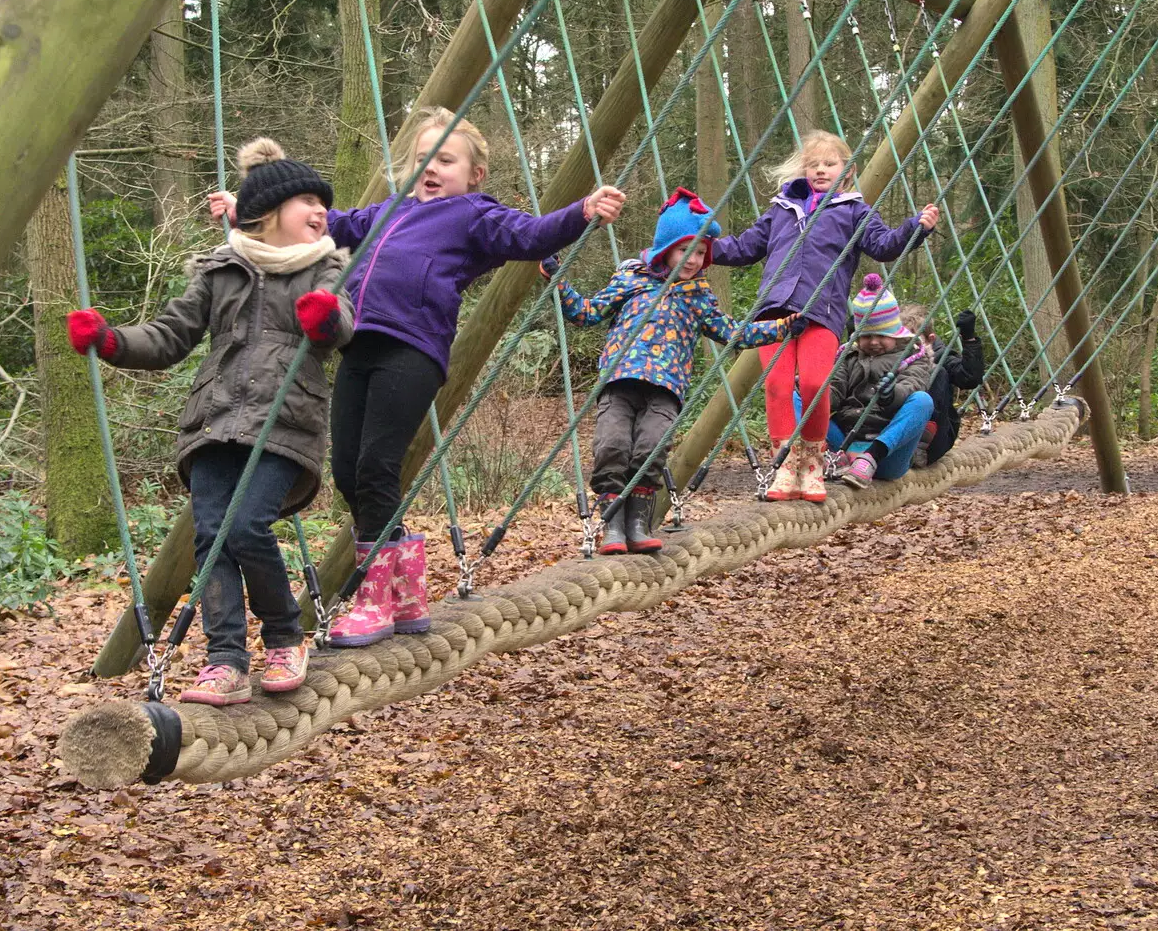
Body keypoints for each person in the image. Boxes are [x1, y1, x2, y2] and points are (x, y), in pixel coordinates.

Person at [210, 107, 625, 645]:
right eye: (423, 158)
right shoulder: (387, 213)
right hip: (356, 344)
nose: (430, 167)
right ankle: (406, 597)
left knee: (377, 467)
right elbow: (324, 223)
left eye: (445, 160)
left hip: (412, 350)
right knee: (344, 470)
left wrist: (583, 211)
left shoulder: (475, 215)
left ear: (473, 174)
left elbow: (533, 235)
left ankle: (375, 600)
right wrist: (248, 206)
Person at [69, 139, 352, 704]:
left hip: (283, 421)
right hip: (214, 420)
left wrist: (323, 322)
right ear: (267, 215)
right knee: (211, 537)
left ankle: (283, 636)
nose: (321, 211)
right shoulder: (222, 270)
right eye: (306, 202)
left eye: (323, 203)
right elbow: (170, 334)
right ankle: (224, 660)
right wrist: (111, 339)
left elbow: (341, 322)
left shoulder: (326, 268)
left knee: (246, 525)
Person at [545, 189, 803, 554]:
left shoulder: (698, 297)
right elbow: (585, 313)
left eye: (701, 252)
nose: (695, 259)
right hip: (620, 381)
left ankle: (638, 521)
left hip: (666, 387)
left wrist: (780, 328)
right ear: (667, 249)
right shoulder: (631, 281)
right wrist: (558, 281)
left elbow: (733, 333)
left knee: (651, 448)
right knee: (612, 444)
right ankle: (612, 525)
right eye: (687, 250)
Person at [708, 130, 938, 503]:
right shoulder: (781, 210)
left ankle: (812, 464)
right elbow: (745, 247)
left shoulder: (854, 211)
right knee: (778, 387)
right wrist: (702, 250)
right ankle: (785, 466)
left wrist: (917, 227)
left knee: (815, 385)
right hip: (774, 312)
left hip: (822, 311)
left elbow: (884, 244)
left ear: (847, 170)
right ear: (802, 169)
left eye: (829, 164)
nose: (820, 170)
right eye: (812, 164)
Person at [826, 274, 934, 488]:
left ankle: (870, 458)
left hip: (888, 453)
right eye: (866, 336)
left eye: (881, 335)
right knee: (797, 397)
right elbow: (834, 395)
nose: (874, 342)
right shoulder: (849, 357)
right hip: (845, 443)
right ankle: (826, 457)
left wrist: (891, 395)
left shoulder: (914, 358)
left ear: (895, 333)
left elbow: (912, 385)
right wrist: (814, 391)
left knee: (922, 400)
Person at [899, 304, 984, 468]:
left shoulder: (940, 356)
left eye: (913, 341)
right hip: (898, 434)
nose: (907, 347)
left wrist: (969, 338)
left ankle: (920, 444)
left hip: (936, 438)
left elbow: (969, 378)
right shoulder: (891, 356)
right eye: (902, 341)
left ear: (930, 339)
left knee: (938, 373)